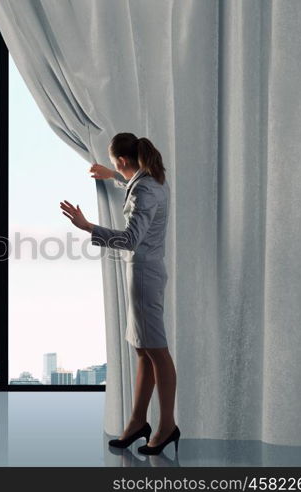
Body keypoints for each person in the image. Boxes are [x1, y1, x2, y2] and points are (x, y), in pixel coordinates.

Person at [59, 132, 180, 455]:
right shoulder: (151, 179)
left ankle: (167, 426)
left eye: (116, 165)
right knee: (143, 350)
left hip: (144, 275)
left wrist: (88, 227)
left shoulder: (145, 188)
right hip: (144, 273)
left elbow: (130, 238)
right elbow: (133, 191)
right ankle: (138, 421)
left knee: (157, 352)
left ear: (124, 160)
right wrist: (112, 175)